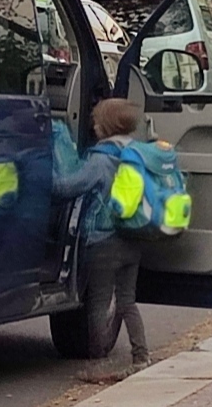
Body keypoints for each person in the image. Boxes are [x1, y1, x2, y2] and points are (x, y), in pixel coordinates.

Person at [53, 97, 149, 377]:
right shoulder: (140, 154)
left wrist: (43, 175)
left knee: (97, 302)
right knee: (127, 300)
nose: (93, 125)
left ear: (106, 127)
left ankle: (98, 363)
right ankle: (141, 357)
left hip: (103, 240)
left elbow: (68, 187)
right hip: (134, 237)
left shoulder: (101, 160)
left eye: (96, 121)